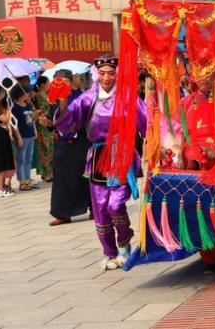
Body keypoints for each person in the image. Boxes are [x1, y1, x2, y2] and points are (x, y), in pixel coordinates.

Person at [54, 55, 147, 271]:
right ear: (97, 74)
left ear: (117, 74)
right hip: (97, 156)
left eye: (111, 73)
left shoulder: (128, 98)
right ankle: (110, 252)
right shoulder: (88, 98)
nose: (107, 77)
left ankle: (124, 244)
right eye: (102, 73)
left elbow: (147, 122)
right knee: (100, 210)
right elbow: (68, 124)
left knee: (115, 205)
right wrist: (63, 102)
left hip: (122, 155)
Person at [45, 69, 91, 226]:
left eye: (64, 82)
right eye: (58, 82)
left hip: (80, 143)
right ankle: (62, 213)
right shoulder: (53, 100)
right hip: (62, 145)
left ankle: (94, 208)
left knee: (85, 176)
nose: (61, 85)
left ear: (71, 82)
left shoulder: (81, 98)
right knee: (61, 178)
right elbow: (54, 123)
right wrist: (48, 123)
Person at [10, 85, 37, 191]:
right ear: (20, 94)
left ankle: (27, 179)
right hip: (22, 136)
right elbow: (14, 124)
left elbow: (30, 120)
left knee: (29, 159)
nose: (28, 94)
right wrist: (19, 137)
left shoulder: (27, 105)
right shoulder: (15, 108)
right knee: (21, 158)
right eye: (26, 93)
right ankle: (22, 181)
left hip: (30, 135)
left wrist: (35, 129)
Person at [33, 76, 55, 181]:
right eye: (48, 83)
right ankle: (46, 173)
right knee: (44, 149)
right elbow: (41, 110)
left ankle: (50, 172)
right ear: (42, 85)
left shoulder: (48, 95)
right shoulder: (38, 96)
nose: (49, 85)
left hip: (49, 123)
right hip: (42, 125)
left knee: (51, 148)